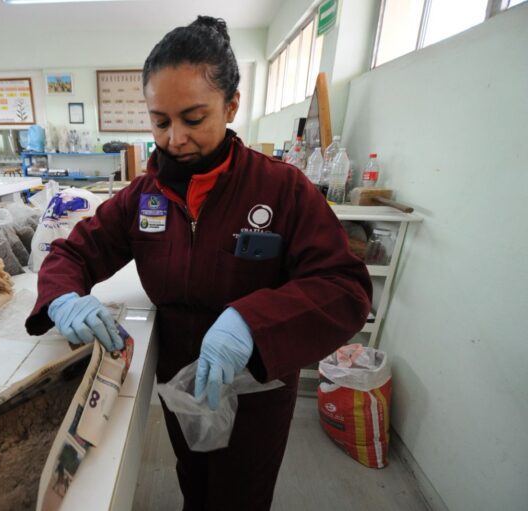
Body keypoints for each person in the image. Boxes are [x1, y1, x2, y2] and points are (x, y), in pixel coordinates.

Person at [25, 16, 372, 510]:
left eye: (193, 119)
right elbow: (72, 252)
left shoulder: (281, 189)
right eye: (160, 121)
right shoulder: (144, 197)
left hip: (256, 389)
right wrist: (63, 297)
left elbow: (345, 288)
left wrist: (251, 323)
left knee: (240, 499)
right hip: (180, 382)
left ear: (231, 106)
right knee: (195, 484)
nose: (175, 139)